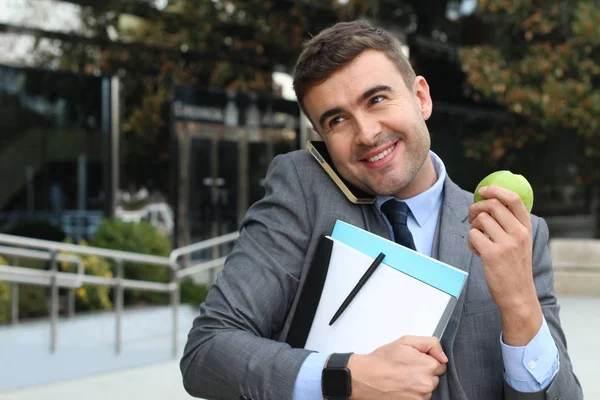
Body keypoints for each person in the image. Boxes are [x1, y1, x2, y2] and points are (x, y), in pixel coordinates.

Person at [180, 20, 582, 400]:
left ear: (421, 97)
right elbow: (208, 351)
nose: (368, 133)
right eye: (337, 120)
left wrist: (519, 304)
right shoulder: (303, 192)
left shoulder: (516, 232)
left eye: (377, 99)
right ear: (321, 138)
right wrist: (343, 376)